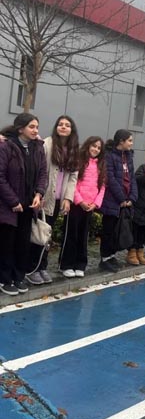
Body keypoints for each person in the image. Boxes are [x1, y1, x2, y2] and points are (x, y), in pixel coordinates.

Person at [27, 115, 79, 285]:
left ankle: (42, 267)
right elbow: (40, 171)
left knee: (47, 235)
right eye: (60, 124)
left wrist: (68, 199)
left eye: (67, 125)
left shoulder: (73, 150)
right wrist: (39, 193)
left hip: (59, 200)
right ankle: (32, 268)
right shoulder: (47, 144)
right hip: (44, 197)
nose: (63, 127)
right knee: (38, 233)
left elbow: (73, 177)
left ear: (72, 130)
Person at [0, 113, 47, 296]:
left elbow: (43, 172)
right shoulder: (6, 147)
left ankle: (18, 276)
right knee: (7, 244)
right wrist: (13, 201)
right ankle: (5, 278)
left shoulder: (38, 147)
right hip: (9, 206)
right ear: (21, 129)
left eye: (37, 127)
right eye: (32, 127)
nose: (36, 130)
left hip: (29, 205)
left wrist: (39, 193)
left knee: (22, 243)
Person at [58, 136, 106, 277]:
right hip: (75, 205)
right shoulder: (78, 161)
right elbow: (72, 183)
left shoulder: (101, 165)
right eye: (94, 146)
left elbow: (102, 187)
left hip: (90, 207)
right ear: (87, 145)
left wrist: (95, 204)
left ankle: (80, 265)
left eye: (98, 148)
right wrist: (80, 201)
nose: (96, 149)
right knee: (71, 235)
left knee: (83, 236)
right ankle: (66, 265)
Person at [99, 130, 138, 273]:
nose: (131, 143)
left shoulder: (129, 157)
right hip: (112, 201)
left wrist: (131, 198)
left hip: (126, 201)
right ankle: (105, 258)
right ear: (121, 141)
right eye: (129, 140)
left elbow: (132, 178)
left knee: (118, 230)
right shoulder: (109, 156)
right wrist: (121, 198)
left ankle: (112, 255)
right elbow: (110, 179)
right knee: (108, 230)